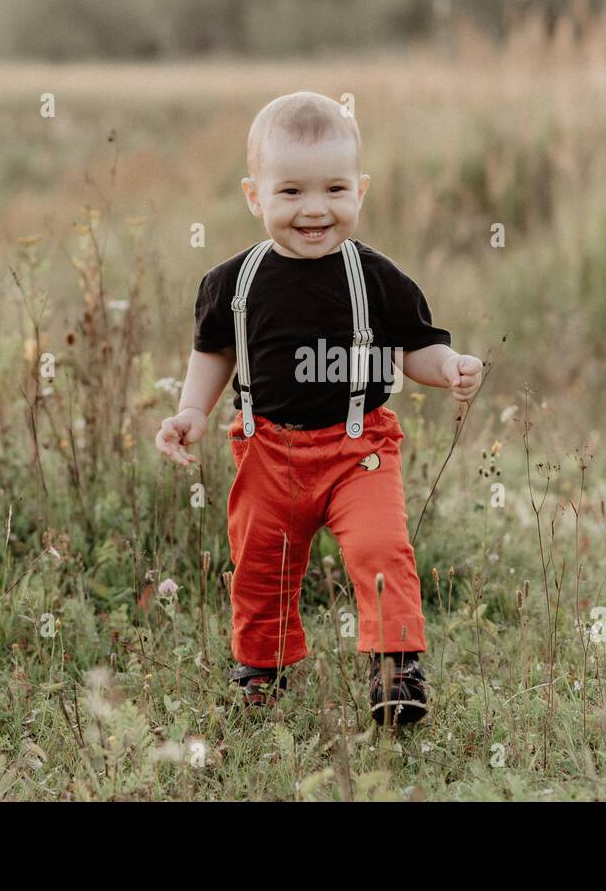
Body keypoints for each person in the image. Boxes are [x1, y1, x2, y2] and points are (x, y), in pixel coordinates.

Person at [155, 91, 483, 726]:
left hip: (358, 450)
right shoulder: (232, 283)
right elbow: (216, 353)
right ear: (255, 197)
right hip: (266, 451)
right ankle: (261, 669)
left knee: (381, 551)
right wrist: (192, 411)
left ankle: (396, 668)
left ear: (360, 190)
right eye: (291, 193)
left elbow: (417, 347)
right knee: (259, 566)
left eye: (335, 189)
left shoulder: (378, 278)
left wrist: (450, 368)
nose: (315, 210)